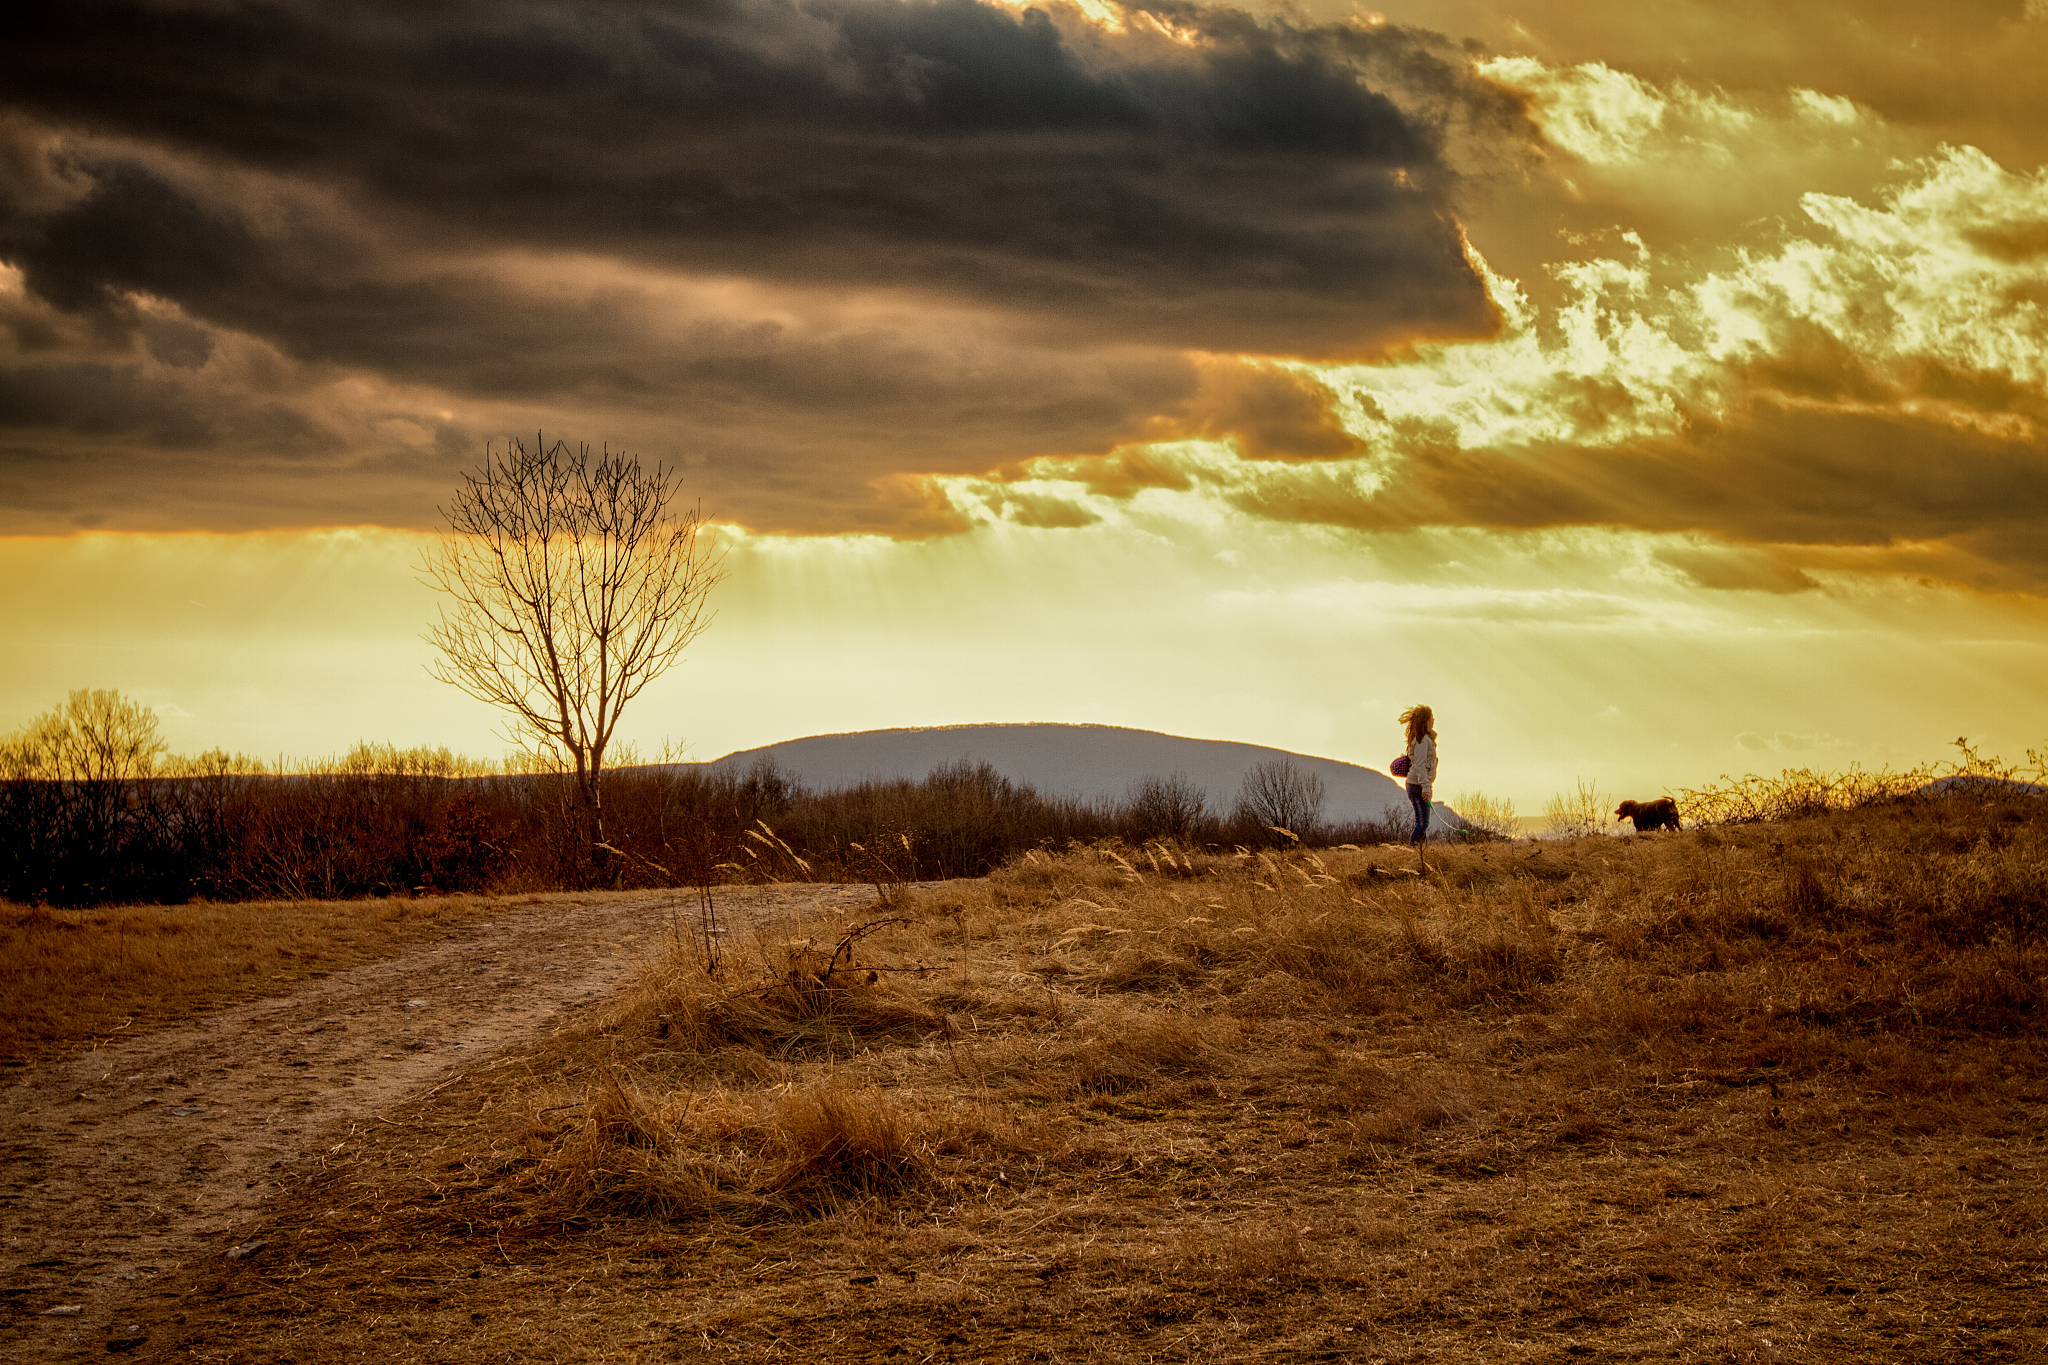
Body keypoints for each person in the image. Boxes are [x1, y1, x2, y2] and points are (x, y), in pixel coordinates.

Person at [1398, 704, 1436, 846]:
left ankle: (1422, 852)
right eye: (1431, 718)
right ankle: (1413, 850)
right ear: (1426, 721)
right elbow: (1420, 765)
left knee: (1422, 822)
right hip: (1418, 785)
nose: (1433, 720)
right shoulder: (1421, 741)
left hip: (1416, 784)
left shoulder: (1424, 739)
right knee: (1422, 823)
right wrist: (1426, 788)